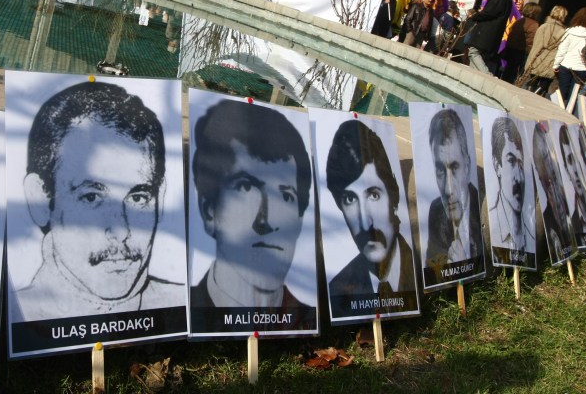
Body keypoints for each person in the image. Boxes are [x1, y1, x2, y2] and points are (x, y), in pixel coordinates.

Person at [16, 82, 182, 320]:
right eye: (91, 197)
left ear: (160, 198)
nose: (121, 231)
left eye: (138, 197)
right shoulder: (16, 315)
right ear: (40, 199)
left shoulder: (180, 307)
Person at [191, 99, 312, 310]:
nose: (268, 221)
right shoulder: (181, 313)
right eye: (246, 188)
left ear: (301, 219)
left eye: (286, 196)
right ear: (209, 211)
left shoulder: (304, 320)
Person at [325, 120, 415, 315]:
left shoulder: (422, 269)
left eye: (374, 195)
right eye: (350, 199)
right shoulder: (337, 292)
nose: (366, 222)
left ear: (394, 195)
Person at [425, 108, 483, 270]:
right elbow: (432, 271)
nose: (449, 191)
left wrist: (464, 266)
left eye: (455, 167)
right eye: (440, 171)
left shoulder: (481, 208)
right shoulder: (436, 212)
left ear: (467, 166)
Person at [488, 117, 534, 265]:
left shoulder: (531, 239)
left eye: (521, 163)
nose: (518, 177)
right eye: (511, 161)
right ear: (497, 166)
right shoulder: (492, 229)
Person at [532, 122, 575, 264]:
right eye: (544, 159)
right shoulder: (547, 216)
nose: (550, 165)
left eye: (549, 157)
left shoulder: (568, 201)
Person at [552, 6, 586, 104]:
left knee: (561, 92)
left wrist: (556, 65)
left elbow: (562, 50)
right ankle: (567, 114)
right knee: (573, 96)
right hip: (583, 68)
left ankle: (555, 112)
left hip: (566, 65)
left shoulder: (570, 32)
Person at [466, 0, 513, 75]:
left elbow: (489, 13)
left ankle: (487, 76)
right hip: (493, 34)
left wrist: (474, 16)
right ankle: (473, 77)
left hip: (486, 32)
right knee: (479, 57)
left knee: (473, 52)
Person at [557, 124, 586, 248]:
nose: (575, 168)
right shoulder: (571, 223)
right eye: (570, 161)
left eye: (577, 159)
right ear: (566, 170)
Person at [524, 5, 567, 96]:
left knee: (532, 83)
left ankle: (527, 98)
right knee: (544, 85)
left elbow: (537, 46)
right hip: (551, 62)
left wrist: (530, 63)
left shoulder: (543, 27)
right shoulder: (564, 32)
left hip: (538, 60)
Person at [501, 2, 541, 83]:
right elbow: (531, 41)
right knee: (516, 75)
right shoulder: (534, 25)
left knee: (507, 72)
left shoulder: (519, 21)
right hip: (522, 52)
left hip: (512, 49)